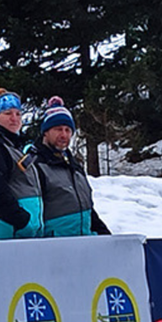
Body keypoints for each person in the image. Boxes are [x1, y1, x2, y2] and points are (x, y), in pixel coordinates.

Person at [31, 99, 108, 237]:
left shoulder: (74, 166)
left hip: (84, 241)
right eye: (58, 129)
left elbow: (88, 210)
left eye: (68, 130)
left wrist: (106, 236)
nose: (64, 135)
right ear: (45, 132)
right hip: (54, 247)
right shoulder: (35, 164)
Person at [0, 89, 39, 240]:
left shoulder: (14, 145)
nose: (14, 119)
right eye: (8, 113)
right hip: (2, 228)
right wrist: (21, 220)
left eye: (18, 114)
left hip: (15, 230)